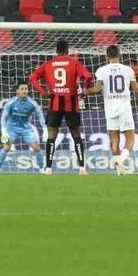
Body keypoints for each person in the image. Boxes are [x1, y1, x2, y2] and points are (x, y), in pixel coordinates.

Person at [29, 39, 93, 176]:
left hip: (54, 102)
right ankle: (82, 168)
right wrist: (85, 91)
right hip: (72, 102)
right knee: (76, 134)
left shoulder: (48, 64)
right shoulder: (74, 62)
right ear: (67, 50)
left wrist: (43, 92)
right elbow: (88, 76)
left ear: (56, 51)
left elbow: (32, 77)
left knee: (52, 134)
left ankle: (48, 169)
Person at [89, 44, 138, 175]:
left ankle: (118, 170)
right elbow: (137, 91)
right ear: (120, 55)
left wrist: (85, 92)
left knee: (114, 143)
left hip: (110, 109)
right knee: (130, 140)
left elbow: (97, 89)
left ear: (106, 56)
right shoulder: (128, 70)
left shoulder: (101, 70)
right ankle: (122, 160)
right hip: (124, 108)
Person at [0, 82, 45, 172]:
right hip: (11, 128)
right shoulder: (10, 103)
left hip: (26, 128)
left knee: (36, 147)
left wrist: (45, 129)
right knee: (7, 147)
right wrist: (3, 130)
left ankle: (42, 168)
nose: (24, 91)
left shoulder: (32, 103)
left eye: (26, 89)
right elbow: (3, 118)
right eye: (22, 89)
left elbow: (40, 116)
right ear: (17, 91)